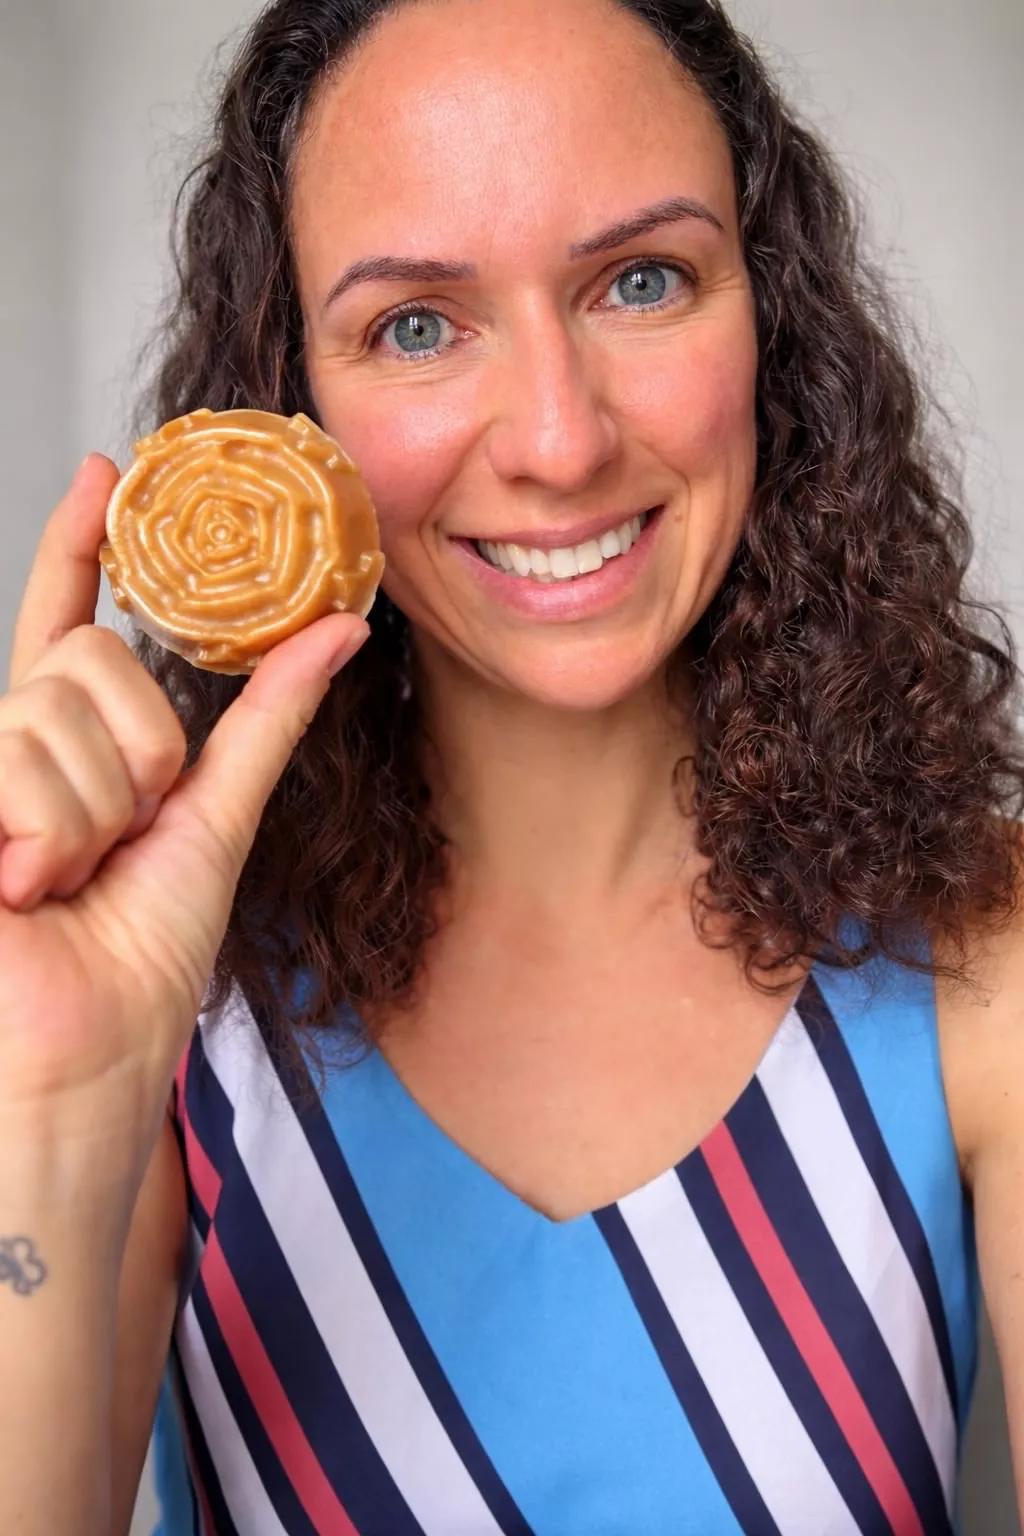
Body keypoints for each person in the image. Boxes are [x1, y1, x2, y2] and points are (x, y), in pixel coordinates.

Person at [2, 0, 1023, 1530]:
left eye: (641, 280)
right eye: (416, 323)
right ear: (298, 400)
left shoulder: (985, 956)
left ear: (771, 321)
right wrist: (54, 1101)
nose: (557, 439)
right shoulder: (169, 994)